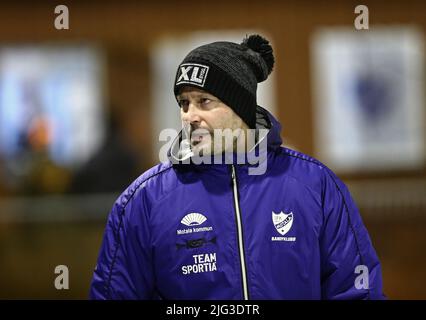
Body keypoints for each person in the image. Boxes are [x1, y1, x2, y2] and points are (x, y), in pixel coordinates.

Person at [90, 34, 384, 300]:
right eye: (184, 103)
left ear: (240, 108)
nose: (189, 116)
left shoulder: (315, 185)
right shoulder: (144, 201)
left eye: (204, 101)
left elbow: (357, 291)